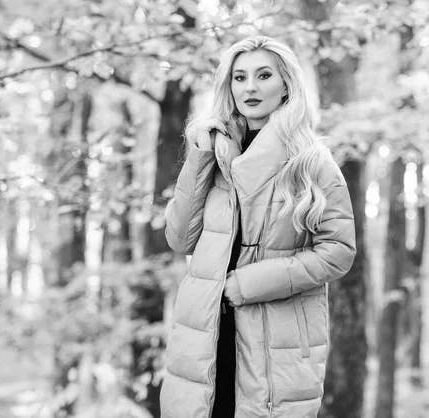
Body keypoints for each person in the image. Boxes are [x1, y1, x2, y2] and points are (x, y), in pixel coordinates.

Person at [160, 35, 356, 418]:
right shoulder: (213, 154)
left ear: (286, 84)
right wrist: (199, 156)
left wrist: (249, 284)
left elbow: (338, 252)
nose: (250, 87)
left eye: (264, 75)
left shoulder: (312, 161)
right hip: (204, 336)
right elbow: (180, 239)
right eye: (239, 77)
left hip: (274, 340)